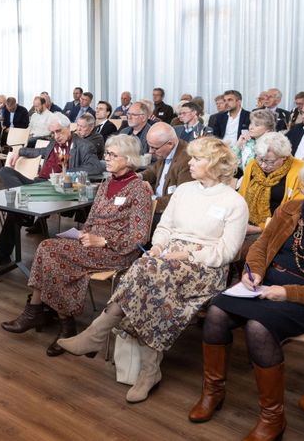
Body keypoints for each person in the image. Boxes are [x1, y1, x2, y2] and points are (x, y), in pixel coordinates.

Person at [193, 156, 304, 440]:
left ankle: (272, 417)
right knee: (215, 311)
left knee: (258, 328)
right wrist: (253, 272)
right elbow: (261, 246)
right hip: (267, 288)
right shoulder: (291, 210)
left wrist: (288, 293)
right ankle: (212, 392)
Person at [57, 137, 247, 404]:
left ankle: (98, 333)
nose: (189, 162)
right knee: (150, 274)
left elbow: (226, 252)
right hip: (166, 258)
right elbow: (165, 228)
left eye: (197, 159)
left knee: (147, 273)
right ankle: (148, 370)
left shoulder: (234, 202)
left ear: (215, 164)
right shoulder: (185, 191)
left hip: (205, 266)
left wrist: (188, 254)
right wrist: (158, 247)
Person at [1, 135, 153, 355]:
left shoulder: (138, 189)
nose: (106, 159)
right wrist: (84, 232)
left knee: (49, 250)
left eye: (112, 155)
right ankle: (51, 317)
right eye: (106, 153)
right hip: (90, 242)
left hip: (117, 251)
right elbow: (91, 219)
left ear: (128, 159)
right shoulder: (107, 183)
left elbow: (139, 238)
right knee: (49, 249)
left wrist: (104, 240)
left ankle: (52, 318)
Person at [0, 116, 104, 267]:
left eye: (59, 131)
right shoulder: (54, 142)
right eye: (52, 133)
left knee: (15, 210)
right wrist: (20, 151)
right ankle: (25, 206)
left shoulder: (83, 145)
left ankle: (1, 253)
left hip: (56, 187)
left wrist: (66, 172)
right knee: (6, 171)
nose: (56, 136)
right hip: (38, 184)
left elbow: (96, 167)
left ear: (68, 127)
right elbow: (40, 151)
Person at [238, 133, 304, 236]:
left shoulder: (300, 171)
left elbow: (295, 211)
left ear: (284, 157)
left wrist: (260, 229)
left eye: (270, 162)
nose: (263, 165)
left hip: (279, 230)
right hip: (245, 223)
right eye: (260, 159)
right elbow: (241, 196)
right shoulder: (253, 165)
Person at [141, 122, 193, 222]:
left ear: (170, 143)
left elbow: (178, 200)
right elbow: (154, 170)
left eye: (154, 148)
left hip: (168, 213)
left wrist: (149, 200)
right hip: (157, 203)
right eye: (149, 146)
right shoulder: (165, 150)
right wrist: (139, 177)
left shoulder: (187, 160)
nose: (150, 152)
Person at [232, 108, 277, 172]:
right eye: (251, 123)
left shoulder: (272, 147)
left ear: (268, 130)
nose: (251, 127)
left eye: (257, 125)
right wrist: (238, 145)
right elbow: (238, 164)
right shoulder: (250, 143)